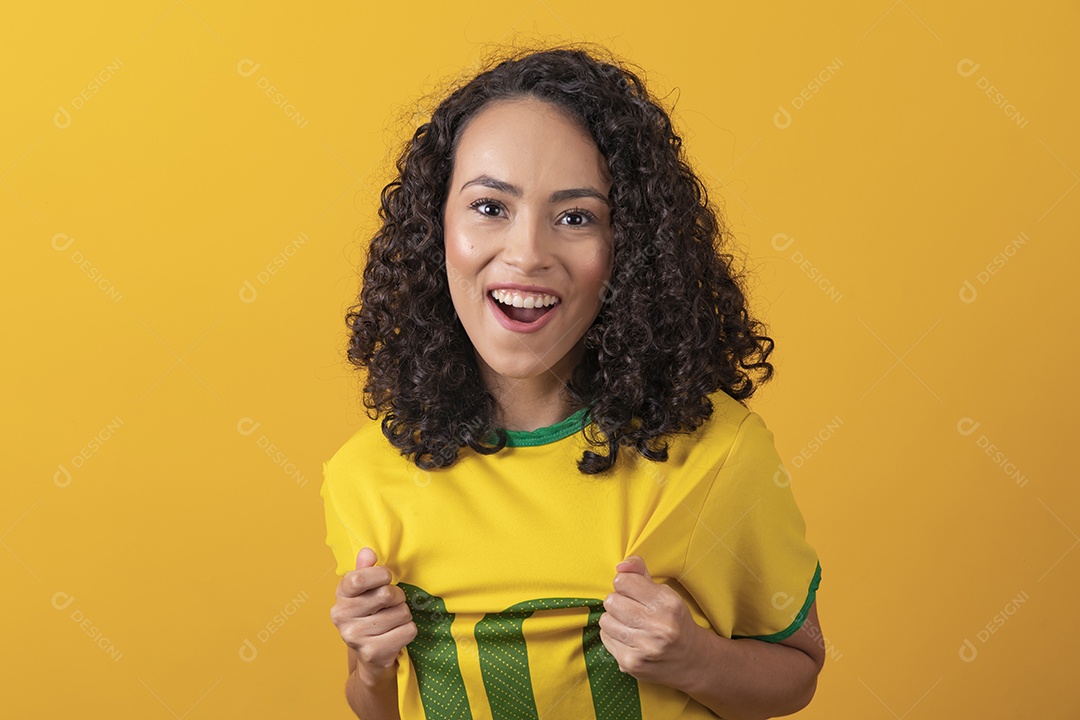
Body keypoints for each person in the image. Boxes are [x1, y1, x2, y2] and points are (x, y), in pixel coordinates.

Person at [323, 42, 825, 720]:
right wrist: (370, 665)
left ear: (628, 248)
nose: (527, 254)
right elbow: (380, 707)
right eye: (489, 207)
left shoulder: (718, 456)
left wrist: (695, 659)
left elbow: (798, 672)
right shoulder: (364, 477)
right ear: (434, 226)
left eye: (575, 217)